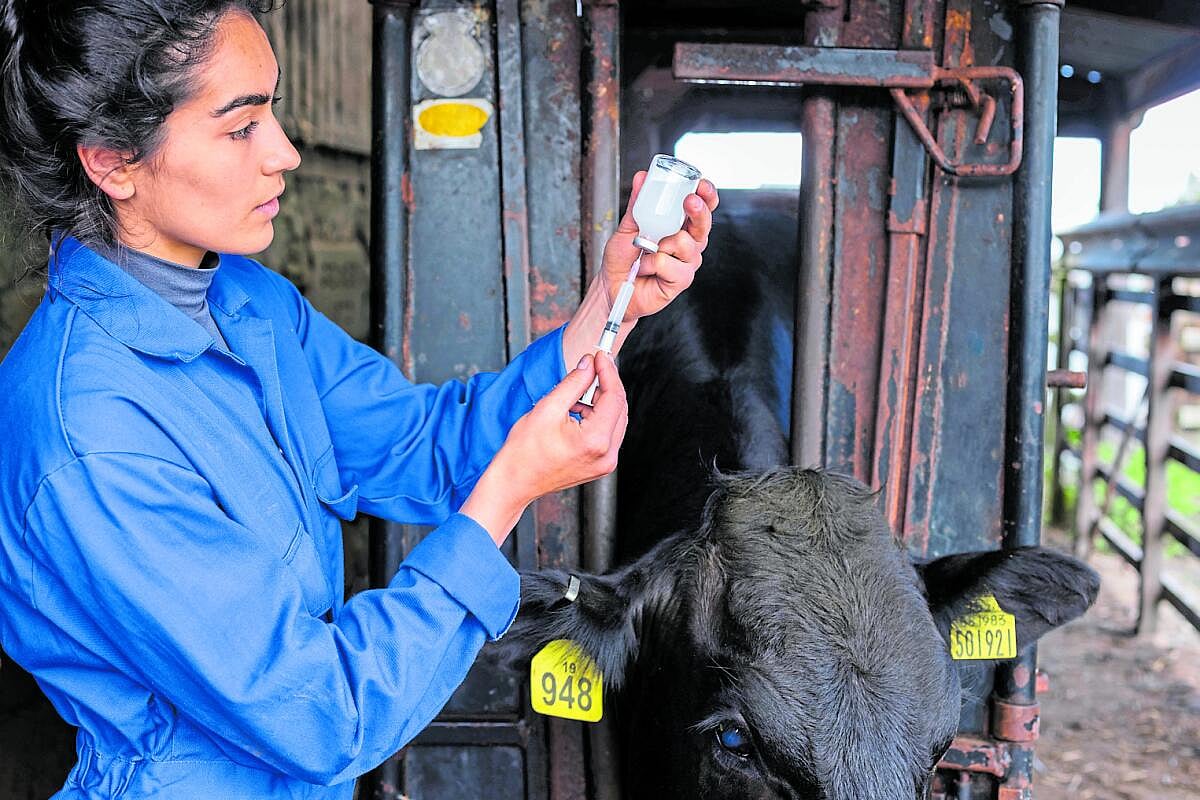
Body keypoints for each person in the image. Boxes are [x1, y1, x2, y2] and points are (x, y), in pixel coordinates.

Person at [0, 1, 718, 797]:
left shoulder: (248, 303)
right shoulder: (89, 433)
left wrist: (605, 310)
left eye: (273, 110)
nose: (285, 153)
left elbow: (422, 443)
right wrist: (512, 489)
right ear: (112, 162)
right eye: (240, 128)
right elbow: (321, 715)